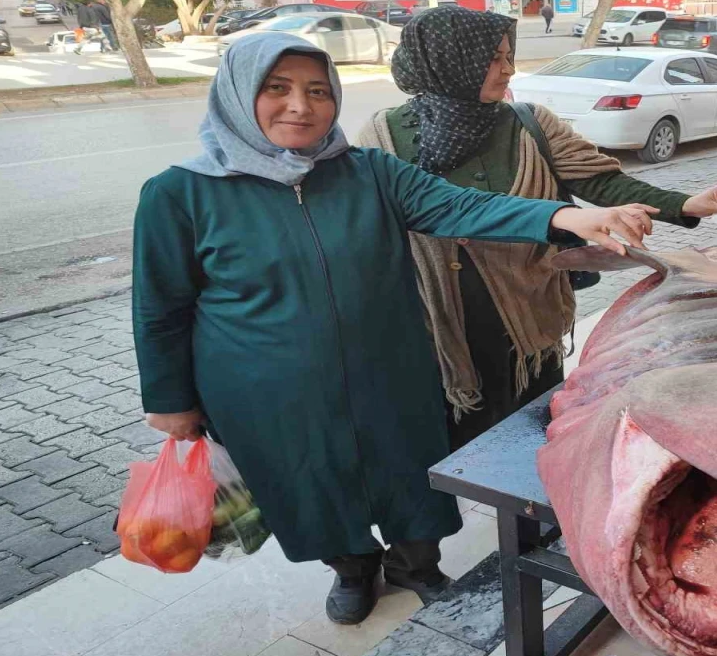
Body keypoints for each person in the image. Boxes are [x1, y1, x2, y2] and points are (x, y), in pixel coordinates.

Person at [133, 32, 658, 625]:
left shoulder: (368, 172)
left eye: (316, 90)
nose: (300, 107)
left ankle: (416, 564)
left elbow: (464, 206)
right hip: (268, 394)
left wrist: (568, 215)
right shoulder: (179, 194)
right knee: (311, 485)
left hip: (390, 370)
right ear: (236, 94)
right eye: (276, 89)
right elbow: (160, 307)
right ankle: (352, 570)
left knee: (408, 476)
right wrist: (171, 402)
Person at [357, 5, 717, 451]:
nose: (509, 69)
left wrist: (685, 204)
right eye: (494, 59)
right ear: (451, 62)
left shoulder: (529, 124)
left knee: (532, 435)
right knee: (461, 441)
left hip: (527, 314)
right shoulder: (382, 136)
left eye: (509, 55)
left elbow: (601, 179)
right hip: (437, 323)